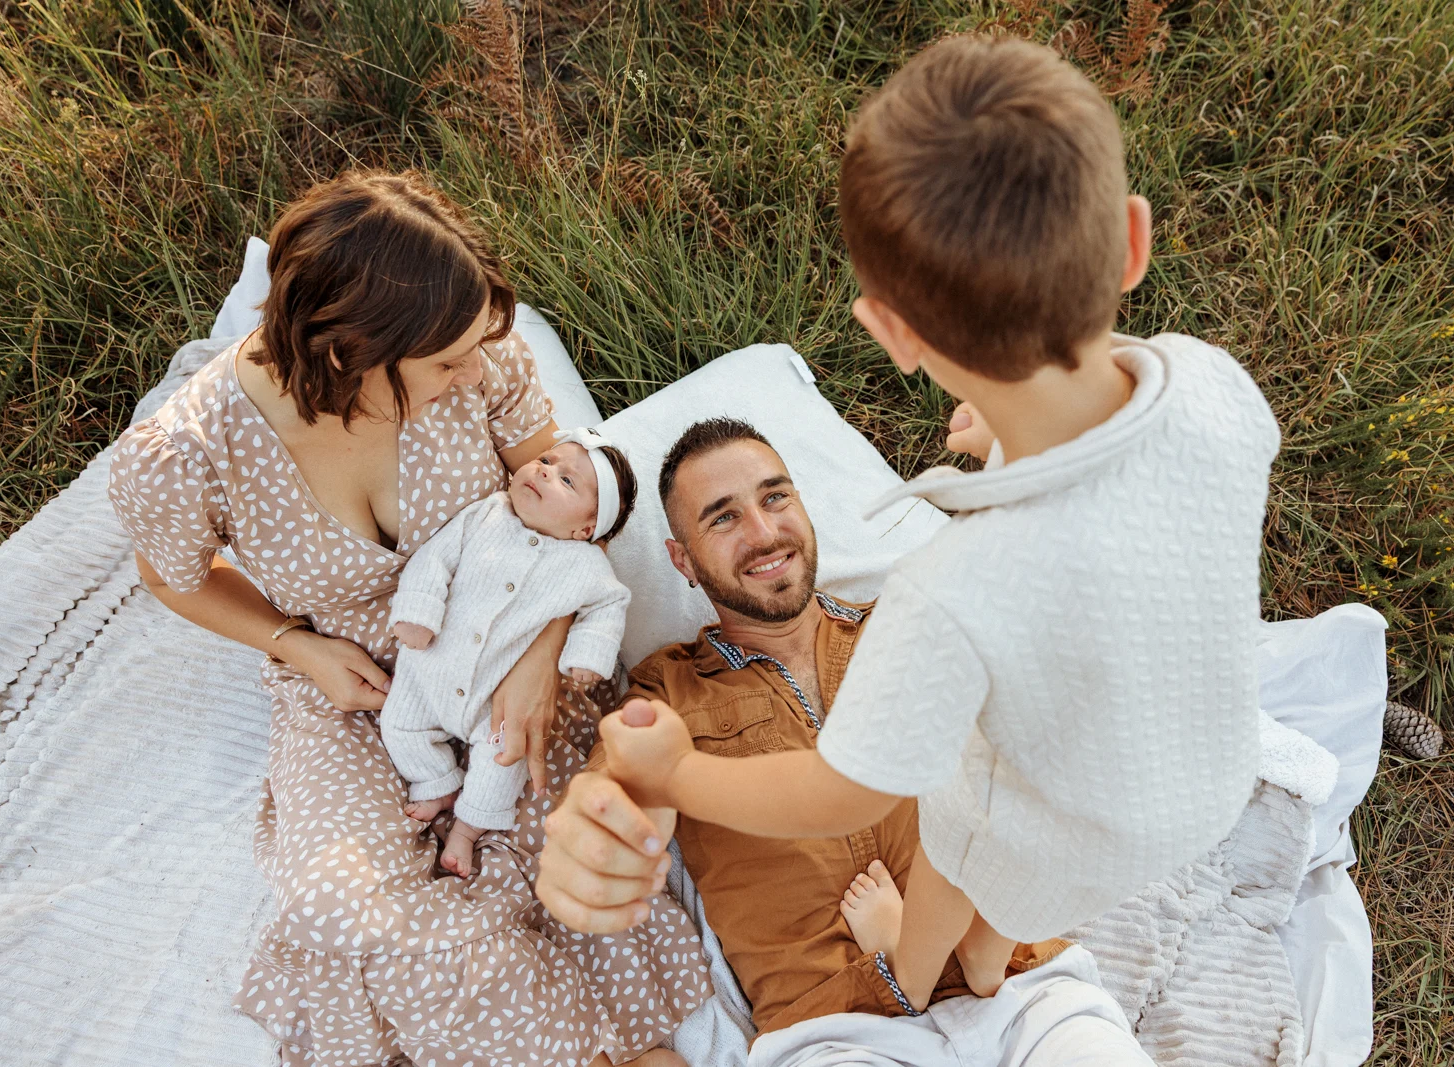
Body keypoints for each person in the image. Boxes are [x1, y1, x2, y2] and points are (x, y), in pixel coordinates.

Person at [598, 33, 1279, 1012]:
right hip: (1201, 778)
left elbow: (847, 790)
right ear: (1131, 240)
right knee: (1014, 892)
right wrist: (1005, 432)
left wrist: (677, 774)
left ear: (894, 334)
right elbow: (1113, 461)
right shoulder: (1218, 388)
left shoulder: (952, 589)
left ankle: (923, 980)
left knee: (967, 832)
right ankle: (992, 965)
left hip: (1058, 821)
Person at [108, 170, 709, 1066]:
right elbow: (172, 579)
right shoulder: (188, 455)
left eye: (475, 350)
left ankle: (624, 1046)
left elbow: (555, 504)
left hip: (511, 651)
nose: (473, 371)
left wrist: (542, 648)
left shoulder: (481, 364)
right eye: (446, 363)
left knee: (569, 861)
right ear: (350, 351)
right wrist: (293, 643)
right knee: (347, 906)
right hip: (350, 689)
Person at [537, 418, 1154, 1065]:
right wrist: (600, 818)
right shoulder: (668, 686)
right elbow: (630, 770)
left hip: (1021, 990)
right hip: (832, 1032)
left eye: (776, 497)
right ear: (682, 560)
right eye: (723, 518)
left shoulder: (910, 625)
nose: (764, 531)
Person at [385, 428, 637, 878]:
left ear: (585, 529)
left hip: (497, 699)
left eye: (567, 481)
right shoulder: (486, 515)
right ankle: (436, 782)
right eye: (546, 459)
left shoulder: (585, 566)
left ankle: (467, 828)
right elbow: (433, 559)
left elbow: (609, 605)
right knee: (399, 723)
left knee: (507, 757)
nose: (544, 470)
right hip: (430, 670)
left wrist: (589, 655)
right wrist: (418, 612)